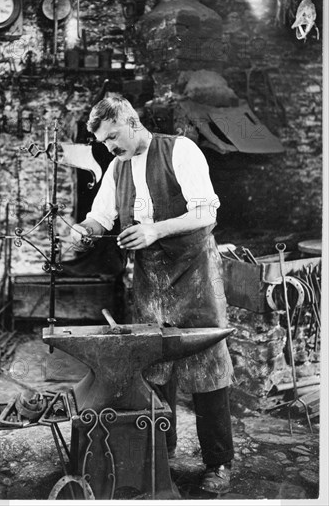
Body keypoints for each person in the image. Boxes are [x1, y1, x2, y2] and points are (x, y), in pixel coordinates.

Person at [70, 96, 234, 494]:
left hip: (194, 274)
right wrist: (80, 233)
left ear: (130, 121)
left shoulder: (180, 150)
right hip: (149, 280)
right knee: (153, 368)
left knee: (208, 371)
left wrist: (155, 230)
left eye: (113, 137)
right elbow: (101, 216)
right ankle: (164, 451)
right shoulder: (117, 167)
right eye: (104, 143)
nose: (110, 147)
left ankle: (218, 463)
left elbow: (205, 213)